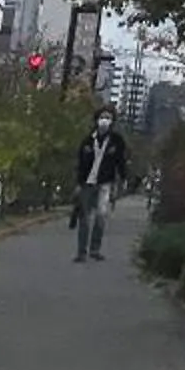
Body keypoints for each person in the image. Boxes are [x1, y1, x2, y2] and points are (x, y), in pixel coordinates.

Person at [73, 105, 131, 263]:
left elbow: (121, 162)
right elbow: (80, 164)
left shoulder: (116, 141)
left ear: (112, 121)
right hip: (87, 183)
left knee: (101, 216)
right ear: (97, 119)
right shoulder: (87, 141)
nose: (104, 121)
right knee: (84, 218)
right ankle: (81, 252)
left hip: (105, 183)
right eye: (102, 117)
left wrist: (123, 179)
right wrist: (78, 183)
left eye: (108, 118)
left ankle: (95, 249)